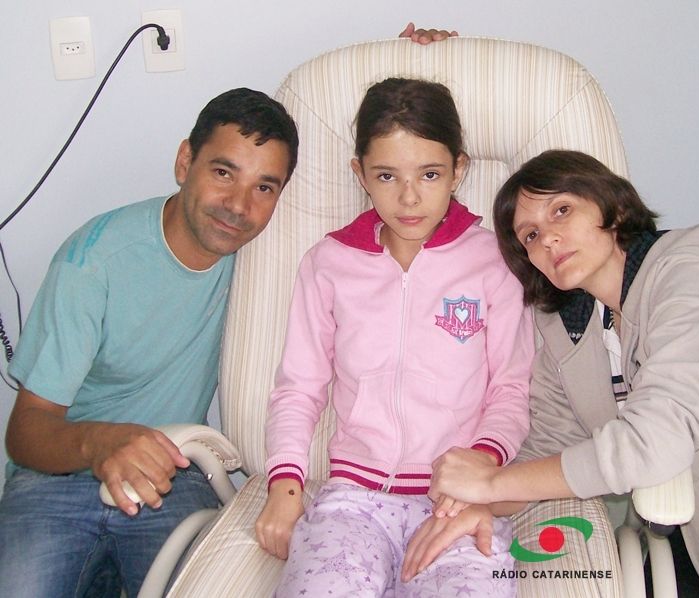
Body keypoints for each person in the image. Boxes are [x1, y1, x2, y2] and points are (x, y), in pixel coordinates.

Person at [425, 149, 699, 597]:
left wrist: (491, 482)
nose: (548, 239)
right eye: (530, 235)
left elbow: (654, 443)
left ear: (614, 207)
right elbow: (546, 448)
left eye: (561, 210)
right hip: (698, 547)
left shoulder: (690, 280)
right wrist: (478, 504)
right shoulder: (569, 326)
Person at [0, 87, 299, 598]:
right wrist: (101, 443)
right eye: (223, 172)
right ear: (185, 162)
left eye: (264, 187)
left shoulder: (268, 256)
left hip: (173, 474)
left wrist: (426, 53)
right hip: (58, 478)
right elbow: (25, 432)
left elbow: (387, 188)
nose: (238, 206)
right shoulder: (93, 261)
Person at [254, 77, 534, 596]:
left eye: (430, 174)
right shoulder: (329, 264)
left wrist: (482, 464)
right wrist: (285, 487)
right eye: (386, 175)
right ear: (359, 173)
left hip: (459, 502)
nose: (409, 197)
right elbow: (299, 387)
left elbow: (511, 389)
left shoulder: (494, 261)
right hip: (353, 503)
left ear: (459, 170)